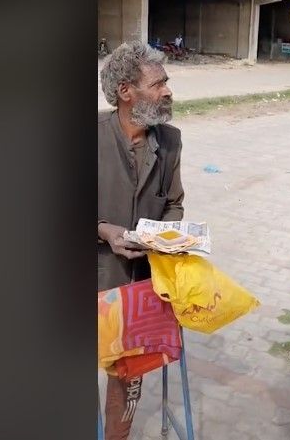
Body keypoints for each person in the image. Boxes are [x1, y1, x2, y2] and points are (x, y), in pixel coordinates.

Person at [98, 41, 185, 440]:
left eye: (166, 82)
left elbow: (174, 203)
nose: (168, 90)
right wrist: (104, 230)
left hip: (138, 282)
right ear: (125, 92)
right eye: (158, 83)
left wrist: (164, 236)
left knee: (127, 374)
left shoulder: (169, 141)